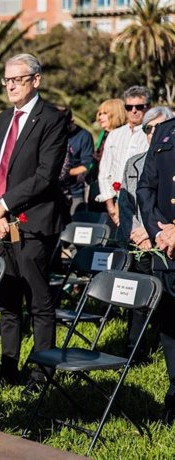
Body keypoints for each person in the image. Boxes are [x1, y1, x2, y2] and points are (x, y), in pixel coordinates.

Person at [0, 53, 68, 391]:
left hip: (34, 223)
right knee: (8, 300)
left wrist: (3, 206)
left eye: (18, 79)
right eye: (7, 79)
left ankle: (41, 375)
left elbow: (45, 176)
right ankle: (8, 368)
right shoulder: (3, 119)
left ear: (36, 80)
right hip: (3, 224)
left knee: (39, 302)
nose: (11, 85)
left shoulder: (51, 119)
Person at [117, 106, 174, 360]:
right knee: (145, 302)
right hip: (145, 239)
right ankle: (136, 348)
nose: (153, 133)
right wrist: (142, 231)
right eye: (148, 129)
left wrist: (158, 233)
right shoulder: (135, 162)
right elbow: (132, 198)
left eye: (156, 127)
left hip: (163, 239)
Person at [136, 111, 175, 426]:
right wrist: (157, 230)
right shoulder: (163, 132)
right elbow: (145, 187)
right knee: (170, 325)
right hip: (166, 248)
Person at [96, 87, 150, 225]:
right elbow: (104, 171)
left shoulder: (150, 135)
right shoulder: (115, 135)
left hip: (141, 205)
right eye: (129, 107)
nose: (134, 110)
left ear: (148, 107)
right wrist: (111, 206)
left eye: (139, 106)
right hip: (115, 204)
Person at [57, 106, 94, 215]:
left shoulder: (84, 136)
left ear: (71, 121)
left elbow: (87, 165)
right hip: (55, 192)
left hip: (75, 193)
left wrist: (64, 173)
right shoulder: (53, 135)